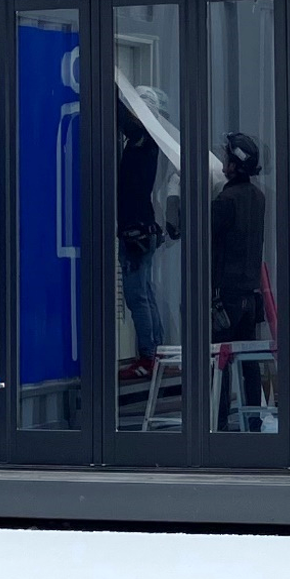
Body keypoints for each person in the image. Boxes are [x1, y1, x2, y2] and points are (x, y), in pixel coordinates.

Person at [211, 132, 269, 430]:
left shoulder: (226, 200)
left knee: (218, 360)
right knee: (249, 362)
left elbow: (203, 232)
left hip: (226, 294)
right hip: (250, 293)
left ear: (235, 164)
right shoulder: (258, 198)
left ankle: (218, 423)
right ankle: (254, 421)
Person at [116, 99, 164, 382]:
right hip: (143, 229)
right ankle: (156, 352)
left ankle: (148, 356)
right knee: (145, 293)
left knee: (137, 296)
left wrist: (111, 93)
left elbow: (129, 123)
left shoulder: (143, 140)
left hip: (136, 232)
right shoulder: (150, 143)